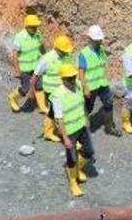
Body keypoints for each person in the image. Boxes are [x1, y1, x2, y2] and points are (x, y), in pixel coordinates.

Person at [53, 63, 94, 197]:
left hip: (81, 126)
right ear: (63, 79)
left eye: (74, 77)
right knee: (72, 157)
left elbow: (82, 105)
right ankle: (73, 182)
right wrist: (65, 138)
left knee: (89, 151)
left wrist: (86, 120)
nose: (72, 80)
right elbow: (59, 119)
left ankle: (77, 169)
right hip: (69, 131)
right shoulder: (58, 95)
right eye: (69, 78)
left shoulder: (77, 85)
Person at [78, 25, 122, 137]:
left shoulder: (101, 50)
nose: (99, 42)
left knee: (109, 103)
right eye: (96, 40)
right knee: (88, 108)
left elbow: (103, 65)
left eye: (100, 39)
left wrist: (108, 75)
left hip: (102, 83)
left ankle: (109, 128)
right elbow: (81, 73)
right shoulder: (84, 54)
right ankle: (82, 129)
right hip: (90, 86)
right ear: (90, 39)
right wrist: (85, 88)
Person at [30, 35, 75, 143]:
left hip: (64, 89)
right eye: (63, 51)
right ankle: (49, 132)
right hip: (51, 91)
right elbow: (35, 76)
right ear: (57, 49)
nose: (66, 53)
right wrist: (32, 91)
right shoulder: (47, 59)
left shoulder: (67, 56)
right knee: (54, 111)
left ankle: (56, 130)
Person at [7, 14, 45, 112]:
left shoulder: (38, 34)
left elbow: (41, 47)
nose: (35, 28)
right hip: (25, 68)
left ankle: (42, 106)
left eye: (36, 26)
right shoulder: (20, 37)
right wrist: (17, 70)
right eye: (33, 26)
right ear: (27, 26)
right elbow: (15, 54)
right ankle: (12, 98)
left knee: (39, 85)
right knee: (26, 88)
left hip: (36, 67)